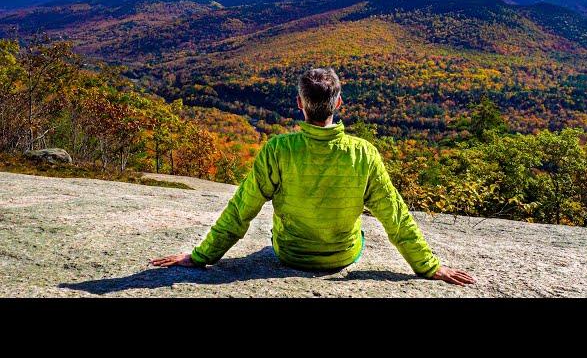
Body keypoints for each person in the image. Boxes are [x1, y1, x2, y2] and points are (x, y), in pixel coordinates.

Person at [151, 67, 475, 286]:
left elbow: (240, 211)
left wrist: (200, 257)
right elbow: (396, 217)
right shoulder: (364, 153)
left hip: (289, 253)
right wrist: (428, 266)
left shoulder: (278, 149)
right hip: (343, 256)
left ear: (299, 104)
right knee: (359, 232)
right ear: (338, 102)